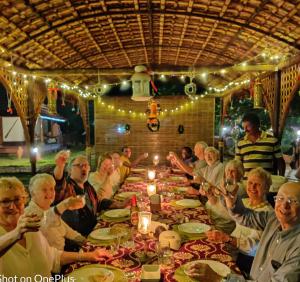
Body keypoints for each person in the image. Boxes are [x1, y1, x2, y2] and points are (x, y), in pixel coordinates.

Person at [0, 177, 110, 278]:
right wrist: (15, 234)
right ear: (33, 193)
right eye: (5, 201)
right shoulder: (29, 220)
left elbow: (53, 257)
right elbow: (47, 220)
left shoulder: (30, 227)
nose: (12, 206)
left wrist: (89, 255)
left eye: (17, 199)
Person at [224, 181, 300, 281]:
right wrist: (232, 201)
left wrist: (221, 279)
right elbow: (247, 217)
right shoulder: (274, 218)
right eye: (280, 198)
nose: (284, 205)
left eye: (292, 201)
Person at [206, 167, 273, 275]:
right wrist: (214, 195)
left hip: (243, 261)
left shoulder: (267, 214)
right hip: (230, 249)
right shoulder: (245, 202)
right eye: (250, 183)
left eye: (258, 184)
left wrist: (227, 238)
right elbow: (228, 213)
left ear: (266, 188)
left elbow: (255, 249)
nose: (252, 187)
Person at [53, 151, 129, 236]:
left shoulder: (87, 186)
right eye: (79, 165)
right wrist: (60, 167)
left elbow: (98, 202)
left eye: (86, 165)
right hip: (76, 239)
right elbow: (59, 186)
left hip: (93, 231)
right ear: (70, 170)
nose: (84, 168)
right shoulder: (68, 186)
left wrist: (118, 204)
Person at [26, 173, 86, 251]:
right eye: (44, 190)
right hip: (48, 262)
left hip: (62, 258)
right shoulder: (29, 214)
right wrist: (65, 205)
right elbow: (47, 220)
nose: (49, 193)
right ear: (33, 193)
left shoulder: (47, 209)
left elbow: (67, 230)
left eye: (51, 189)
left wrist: (84, 241)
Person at [235, 112, 285, 178]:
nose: (245, 130)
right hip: (247, 182)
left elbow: (280, 162)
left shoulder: (272, 140)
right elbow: (237, 164)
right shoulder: (241, 143)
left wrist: (281, 178)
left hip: (265, 182)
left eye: (248, 126)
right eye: (244, 127)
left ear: (257, 125)